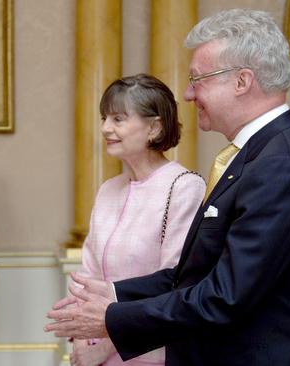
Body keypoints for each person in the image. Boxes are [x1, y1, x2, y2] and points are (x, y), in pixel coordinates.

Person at [45, 9, 290, 366]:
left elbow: (226, 296)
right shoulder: (258, 154)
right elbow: (198, 275)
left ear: (241, 81)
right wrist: (115, 293)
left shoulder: (281, 164)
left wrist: (112, 318)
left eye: (197, 79)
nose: (187, 94)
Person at [70, 74, 205, 366]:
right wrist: (83, 343)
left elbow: (173, 284)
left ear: (154, 127)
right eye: (104, 118)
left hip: (152, 354)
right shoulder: (107, 190)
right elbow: (87, 277)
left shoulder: (184, 187)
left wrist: (105, 347)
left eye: (118, 119)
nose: (106, 128)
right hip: (95, 352)